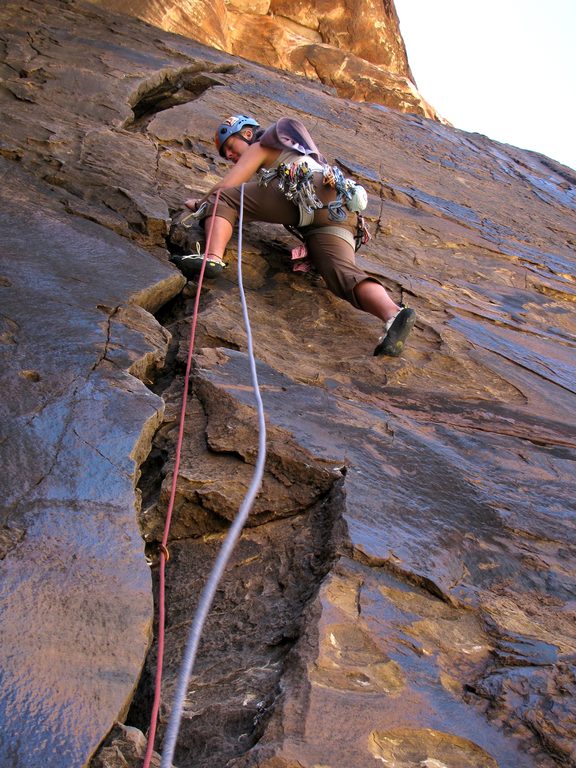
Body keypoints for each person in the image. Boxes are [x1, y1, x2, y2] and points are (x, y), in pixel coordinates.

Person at [179, 114, 415, 357]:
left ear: (247, 134)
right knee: (342, 276)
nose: (229, 156)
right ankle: (392, 313)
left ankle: (212, 257)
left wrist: (201, 203)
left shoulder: (263, 144)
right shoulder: (303, 155)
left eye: (230, 146)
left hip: (306, 191)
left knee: (225, 199)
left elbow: (228, 187)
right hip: (339, 211)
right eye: (225, 154)